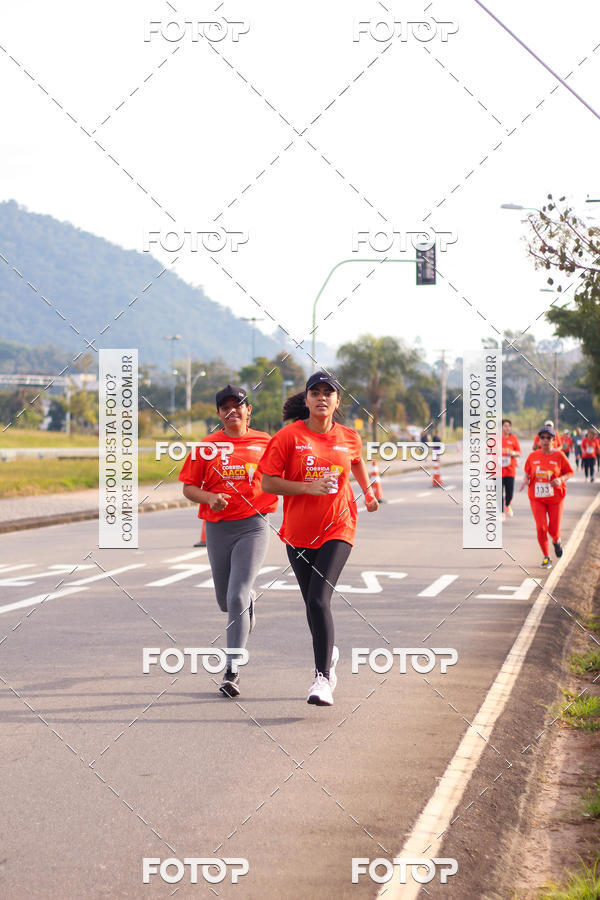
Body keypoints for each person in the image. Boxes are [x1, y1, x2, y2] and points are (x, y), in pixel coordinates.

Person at [259, 371, 379, 707]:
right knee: (311, 604)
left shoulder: (349, 437)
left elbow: (357, 463)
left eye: (329, 392)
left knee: (318, 600)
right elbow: (268, 483)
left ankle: (322, 679)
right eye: (316, 392)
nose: (322, 397)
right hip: (297, 533)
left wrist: (368, 493)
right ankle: (329, 652)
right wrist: (306, 488)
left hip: (338, 527)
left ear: (337, 401)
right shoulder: (287, 437)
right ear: (307, 399)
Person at [179, 384, 278, 697]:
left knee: (236, 594)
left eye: (239, 405)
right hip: (218, 528)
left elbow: (286, 475)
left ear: (250, 410)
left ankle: (231, 670)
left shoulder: (266, 442)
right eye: (226, 407)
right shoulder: (207, 446)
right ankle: (247, 603)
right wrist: (210, 497)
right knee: (226, 601)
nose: (232, 411)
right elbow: (188, 488)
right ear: (219, 414)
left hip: (254, 525)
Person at [519, 426, 574, 569]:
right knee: (541, 527)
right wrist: (525, 479)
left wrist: (560, 480)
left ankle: (556, 541)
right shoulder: (533, 456)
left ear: (553, 440)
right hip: (537, 498)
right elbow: (527, 472)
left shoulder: (559, 456)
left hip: (555, 498)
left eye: (548, 438)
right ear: (539, 440)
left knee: (553, 529)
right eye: (542, 437)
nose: (545, 440)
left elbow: (569, 472)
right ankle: (546, 557)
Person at [501, 418, 521, 519]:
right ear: (501, 427)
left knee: (509, 493)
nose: (507, 428)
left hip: (510, 471)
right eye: (505, 426)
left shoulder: (513, 439)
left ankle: (507, 504)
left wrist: (512, 453)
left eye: (509, 426)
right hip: (497, 472)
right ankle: (501, 513)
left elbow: (519, 453)